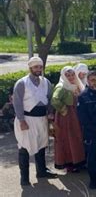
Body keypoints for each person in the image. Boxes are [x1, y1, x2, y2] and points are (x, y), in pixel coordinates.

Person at [12, 57, 57, 186]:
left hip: (42, 119)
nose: (38, 69)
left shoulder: (46, 82)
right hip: (27, 119)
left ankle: (41, 171)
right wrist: (21, 120)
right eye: (35, 67)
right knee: (25, 146)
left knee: (41, 144)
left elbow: (49, 99)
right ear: (30, 68)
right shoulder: (22, 83)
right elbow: (17, 103)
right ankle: (24, 178)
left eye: (40, 67)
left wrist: (50, 113)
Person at [51, 66, 86, 172]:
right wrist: (64, 110)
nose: (71, 77)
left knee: (77, 137)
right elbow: (55, 100)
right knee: (68, 138)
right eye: (68, 75)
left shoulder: (76, 84)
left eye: (72, 75)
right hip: (66, 117)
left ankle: (78, 161)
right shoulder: (61, 86)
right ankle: (69, 163)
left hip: (76, 114)